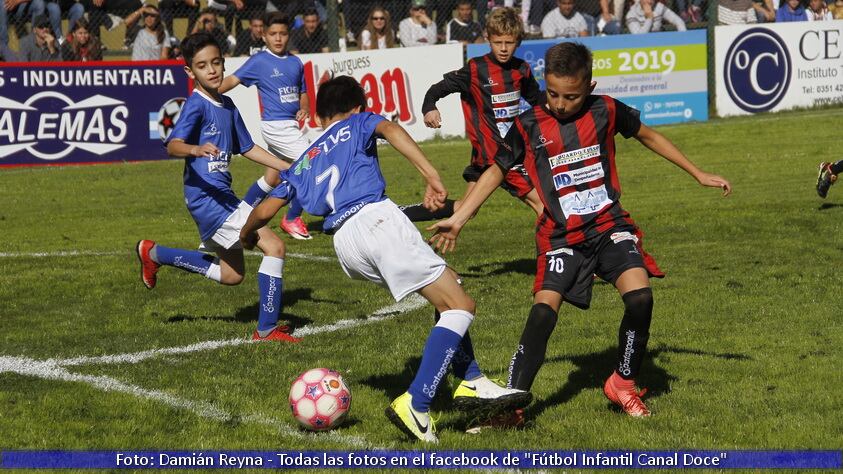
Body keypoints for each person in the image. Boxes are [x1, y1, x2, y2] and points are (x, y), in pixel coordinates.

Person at [429, 42, 732, 419]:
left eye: (570, 96)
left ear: (589, 86)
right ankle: (513, 402)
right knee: (543, 313)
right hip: (560, 233)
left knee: (640, 298)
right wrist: (460, 217)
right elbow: (496, 169)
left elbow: (648, 135)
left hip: (608, 224)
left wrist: (698, 173)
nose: (559, 103)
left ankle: (623, 382)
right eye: (553, 93)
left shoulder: (606, 109)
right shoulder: (529, 123)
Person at [240, 75, 533, 443]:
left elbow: (267, 207)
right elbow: (392, 130)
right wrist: (431, 175)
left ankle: (471, 380)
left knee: (449, 284)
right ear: (358, 108)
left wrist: (246, 233)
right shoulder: (359, 122)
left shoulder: (305, 159)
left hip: (346, 244)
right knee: (461, 305)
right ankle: (418, 403)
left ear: (318, 118)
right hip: (376, 220)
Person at [135, 32, 299, 343]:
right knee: (275, 247)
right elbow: (173, 145)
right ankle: (266, 330)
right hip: (207, 199)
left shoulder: (228, 104)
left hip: (221, 197)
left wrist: (288, 167)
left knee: (232, 274)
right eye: (202, 65)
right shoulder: (196, 106)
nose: (211, 70)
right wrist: (195, 150)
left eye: (215, 63)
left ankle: (155, 253)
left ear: (223, 63)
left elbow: (248, 148)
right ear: (190, 72)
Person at [416, 7, 544, 223]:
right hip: (496, 156)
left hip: (505, 151)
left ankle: (401, 213)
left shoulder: (522, 70)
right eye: (497, 42)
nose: (503, 48)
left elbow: (537, 100)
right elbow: (438, 89)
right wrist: (429, 106)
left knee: (466, 209)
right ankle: (564, 255)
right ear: (488, 38)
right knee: (544, 206)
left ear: (519, 41)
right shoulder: (475, 69)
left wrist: (573, 98)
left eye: (509, 42)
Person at [220, 12, 313, 240]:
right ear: (264, 35)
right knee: (312, 163)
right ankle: (291, 218)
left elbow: (303, 92)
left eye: (282, 33)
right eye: (273, 34)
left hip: (290, 126)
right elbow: (232, 80)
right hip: (276, 127)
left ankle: (239, 215)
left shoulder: (295, 62)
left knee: (272, 178)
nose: (278, 38)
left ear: (288, 35)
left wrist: (304, 108)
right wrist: (205, 92)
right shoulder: (260, 61)